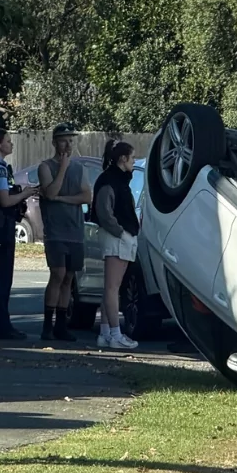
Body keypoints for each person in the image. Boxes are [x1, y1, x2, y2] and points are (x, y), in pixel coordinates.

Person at [0, 129, 38, 340]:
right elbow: (5, 200)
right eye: (8, 141)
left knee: (0, 277)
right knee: (3, 278)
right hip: (1, 226)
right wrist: (25, 194)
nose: (11, 144)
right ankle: (0, 326)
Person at [37, 123, 92, 342]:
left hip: (75, 230)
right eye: (63, 140)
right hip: (56, 231)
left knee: (69, 277)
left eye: (71, 140)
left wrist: (62, 199)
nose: (68, 144)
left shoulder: (80, 169)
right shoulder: (46, 167)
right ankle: (47, 326)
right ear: (54, 142)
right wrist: (62, 167)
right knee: (57, 274)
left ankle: (61, 325)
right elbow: (50, 192)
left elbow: (86, 197)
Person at [92, 141, 140, 350]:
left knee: (111, 288)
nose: (134, 161)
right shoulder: (109, 181)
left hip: (120, 236)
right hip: (116, 237)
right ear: (122, 159)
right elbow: (104, 213)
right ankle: (115, 334)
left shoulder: (118, 180)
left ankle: (104, 333)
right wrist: (121, 233)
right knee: (112, 288)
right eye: (132, 157)